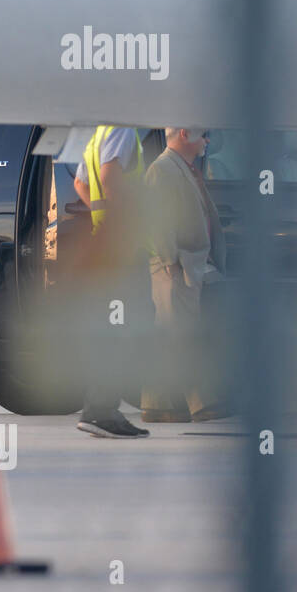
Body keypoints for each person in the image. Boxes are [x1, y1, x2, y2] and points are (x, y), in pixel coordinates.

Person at [141, 127, 229, 422]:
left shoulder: (184, 169)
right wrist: (170, 261)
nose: (207, 140)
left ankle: (158, 404)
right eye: (204, 134)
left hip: (188, 262)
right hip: (175, 264)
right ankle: (200, 402)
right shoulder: (163, 169)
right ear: (184, 134)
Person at [72, 125, 151, 439]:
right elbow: (108, 177)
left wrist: (101, 214)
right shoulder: (122, 128)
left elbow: (82, 183)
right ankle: (103, 412)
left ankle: (97, 410)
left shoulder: (98, 133)